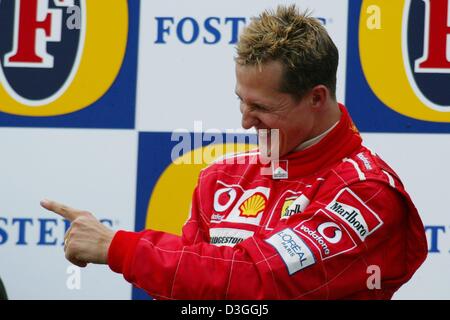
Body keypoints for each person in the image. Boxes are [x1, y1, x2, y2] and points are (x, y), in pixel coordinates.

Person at [40, 5, 427, 299]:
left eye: (261, 108)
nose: (245, 122)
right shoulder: (222, 177)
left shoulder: (369, 193)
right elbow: (194, 288)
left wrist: (119, 248)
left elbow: (258, 282)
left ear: (316, 98)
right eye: (241, 101)